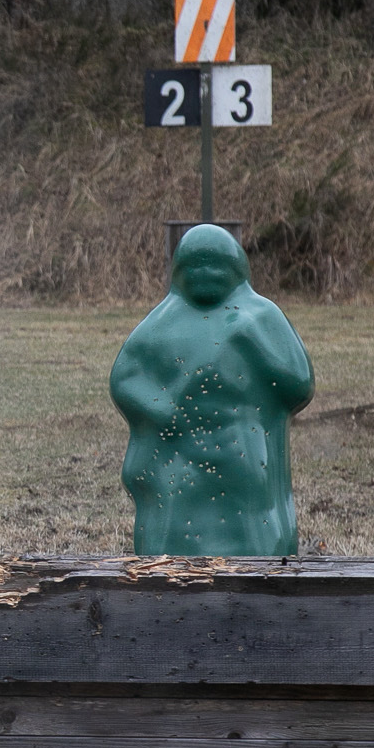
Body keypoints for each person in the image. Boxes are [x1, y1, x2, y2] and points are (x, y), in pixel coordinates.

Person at [109, 222, 315, 555]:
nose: (205, 273)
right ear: (178, 271)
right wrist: (161, 408)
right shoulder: (163, 322)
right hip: (177, 458)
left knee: (256, 527)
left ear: (237, 268)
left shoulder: (262, 316)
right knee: (169, 533)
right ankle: (166, 583)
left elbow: (299, 384)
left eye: (216, 264)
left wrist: (253, 341)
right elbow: (124, 379)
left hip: (245, 453)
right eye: (194, 265)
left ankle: (261, 583)